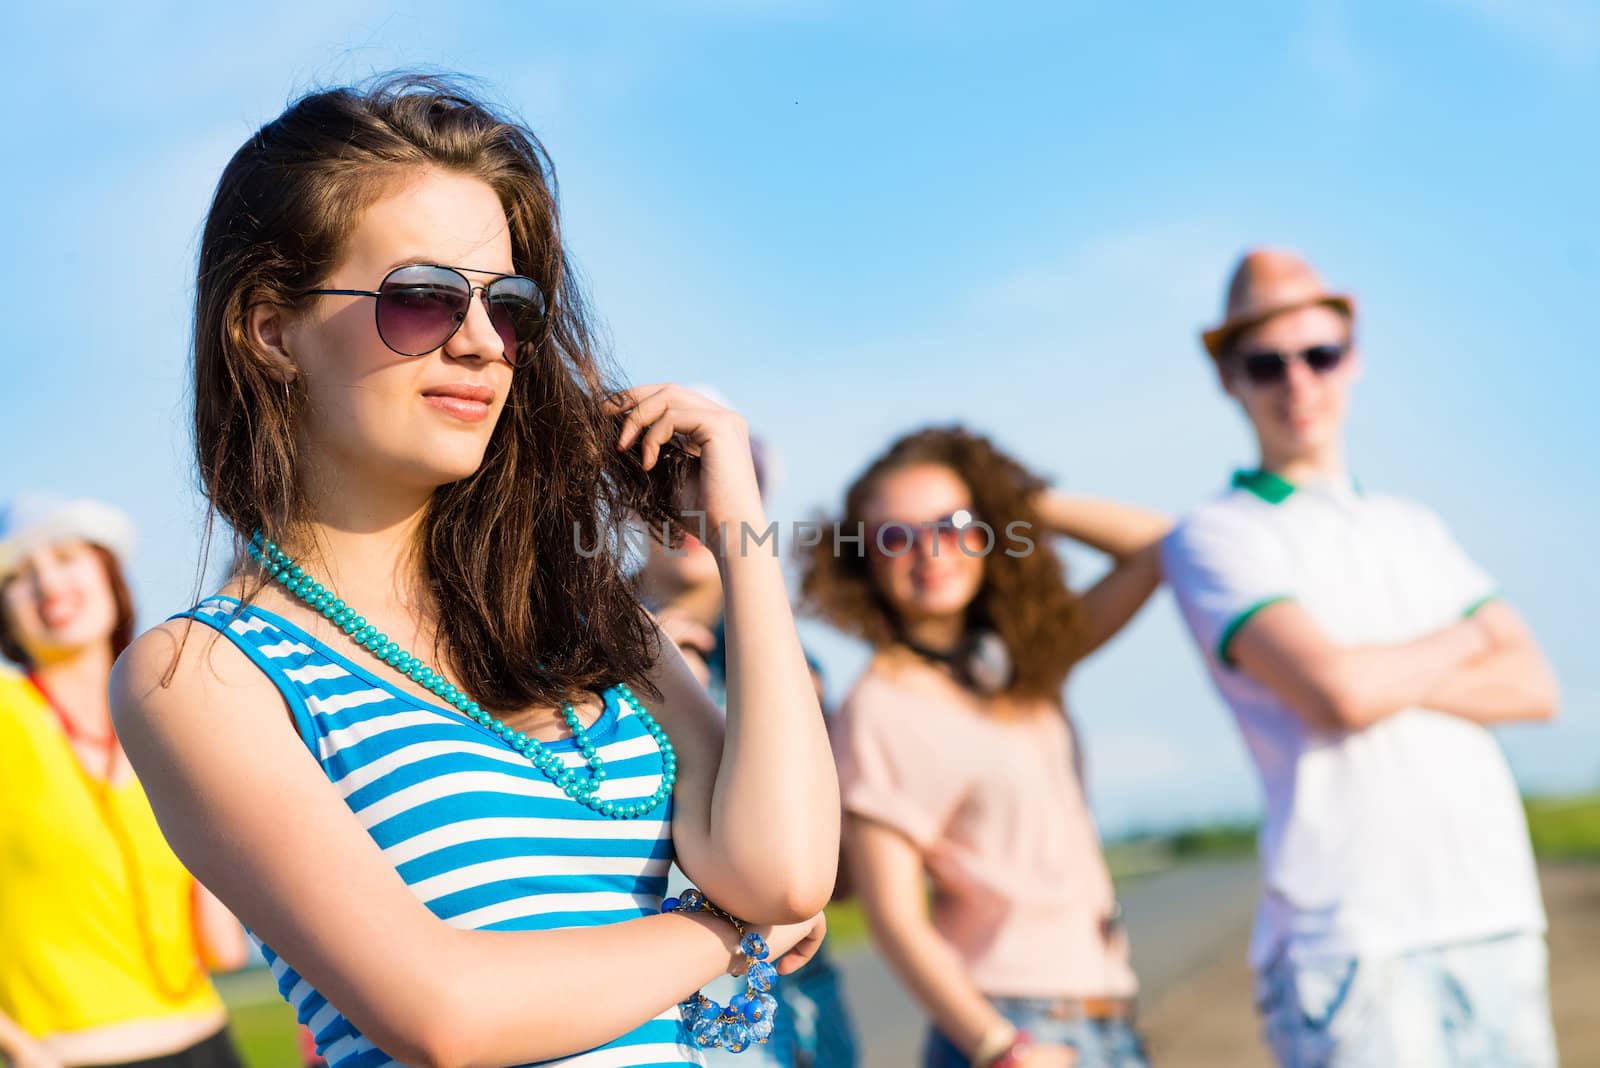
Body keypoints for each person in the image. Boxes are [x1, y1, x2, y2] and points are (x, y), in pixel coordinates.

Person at [110, 74, 839, 1068]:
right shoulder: (204, 676)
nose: (483, 343)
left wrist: (738, 530)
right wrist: (724, 938)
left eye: (511, 305)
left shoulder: (580, 616)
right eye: (421, 299)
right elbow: (450, 1016)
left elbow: (787, 873)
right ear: (271, 331)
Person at [1162, 248, 1561, 1067]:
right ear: (1227, 377)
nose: (1297, 383)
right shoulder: (1221, 532)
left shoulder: (1410, 524)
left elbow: (1534, 684)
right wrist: (1462, 638)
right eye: (1266, 363)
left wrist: (1381, 673)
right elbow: (1337, 693)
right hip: (1352, 942)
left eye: (1320, 355)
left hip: (1495, 914)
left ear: (1354, 356)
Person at [800, 427, 1169, 1068]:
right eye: (895, 536)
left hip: (1106, 1015)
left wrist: (1017, 502)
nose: (930, 550)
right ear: (863, 562)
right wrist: (1000, 1047)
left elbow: (1159, 550)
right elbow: (893, 916)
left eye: (954, 524)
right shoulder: (880, 708)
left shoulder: (1023, 665)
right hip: (1014, 1028)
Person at [0, 494, 248, 1068]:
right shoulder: (8, 715)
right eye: (18, 574)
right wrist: (16, 1046)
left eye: (66, 557)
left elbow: (224, 949)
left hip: (208, 1038)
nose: (48, 583)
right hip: (68, 1056)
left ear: (110, 576)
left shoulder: (163, 721)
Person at [638, 431, 859, 1068]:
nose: (685, 501)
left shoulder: (797, 673)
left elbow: (830, 876)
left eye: (711, 480)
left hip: (792, 1002)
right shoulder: (567, 645)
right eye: (659, 477)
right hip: (644, 1003)